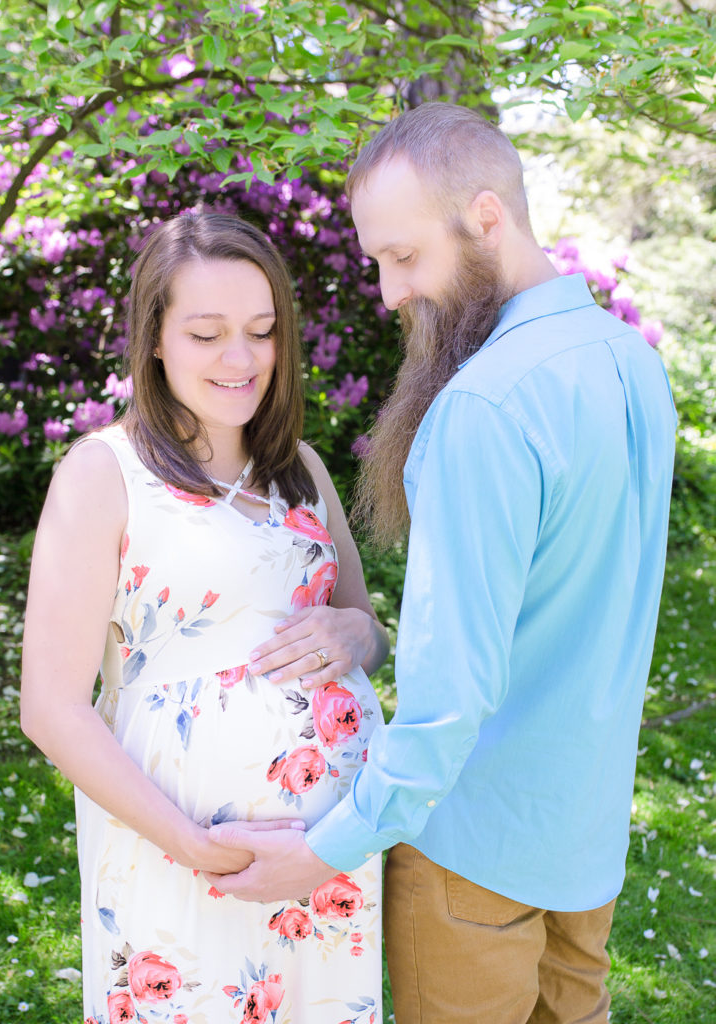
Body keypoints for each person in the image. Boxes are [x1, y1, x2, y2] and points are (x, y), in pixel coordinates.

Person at [206, 103, 678, 1024]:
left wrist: (324, 849)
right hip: (584, 843)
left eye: (404, 256)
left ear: (487, 216)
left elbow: (449, 692)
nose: (388, 291)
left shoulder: (485, 407)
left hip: (470, 854)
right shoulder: (631, 363)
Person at [20, 212, 390, 1024]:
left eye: (261, 332)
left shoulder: (300, 469)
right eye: (207, 334)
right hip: (176, 854)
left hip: (326, 854)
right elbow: (50, 707)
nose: (241, 359)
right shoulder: (101, 473)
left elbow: (362, 622)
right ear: (154, 337)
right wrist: (190, 843)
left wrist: (357, 634)